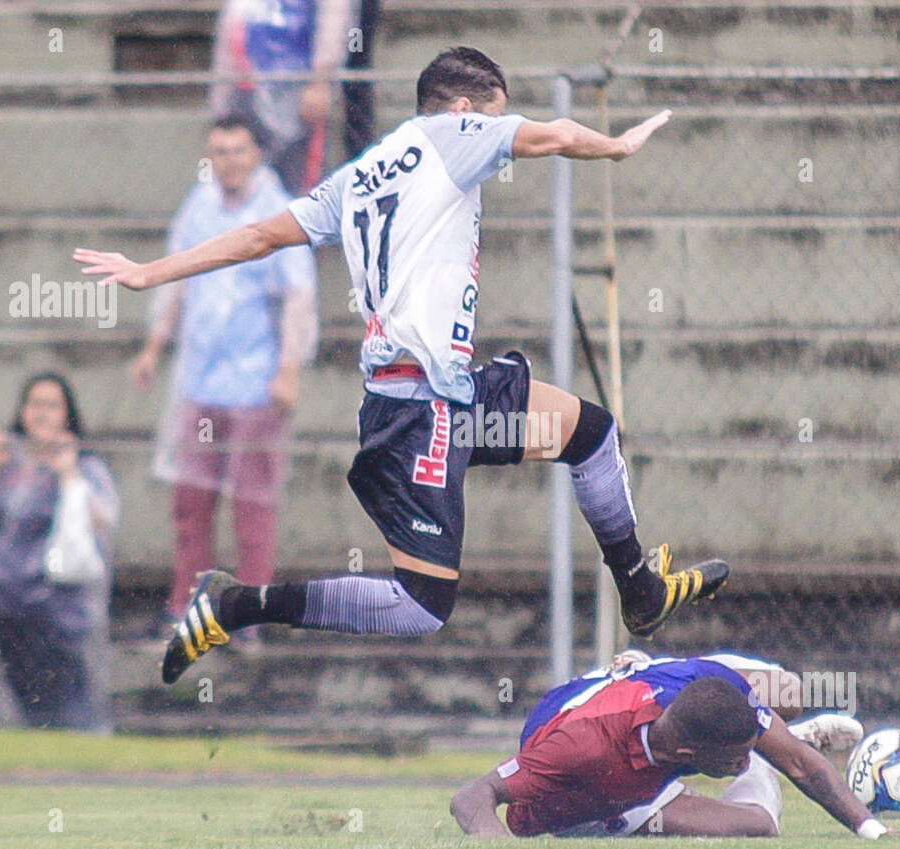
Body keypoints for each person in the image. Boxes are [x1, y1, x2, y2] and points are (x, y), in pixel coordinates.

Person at [75, 47, 729, 686]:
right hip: (417, 408)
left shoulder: (358, 176)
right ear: (467, 108)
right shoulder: (452, 134)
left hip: (453, 390)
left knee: (590, 434)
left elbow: (256, 237)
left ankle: (639, 590)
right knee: (421, 606)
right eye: (494, 117)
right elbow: (552, 134)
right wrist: (614, 146)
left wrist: (149, 273)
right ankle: (236, 605)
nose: (496, 134)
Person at [130, 115, 317, 636]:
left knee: (253, 505)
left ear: (256, 154)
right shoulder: (200, 207)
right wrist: (154, 347)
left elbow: (298, 295)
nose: (228, 161)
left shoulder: (276, 213)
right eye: (219, 151)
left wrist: (288, 369)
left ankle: (247, 615)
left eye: (237, 150)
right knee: (191, 504)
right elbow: (178, 280)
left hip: (255, 383)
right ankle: (186, 607)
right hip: (201, 380)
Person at [449, 650, 900, 840]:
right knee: (759, 825)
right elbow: (470, 798)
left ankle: (773, 737)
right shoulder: (582, 750)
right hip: (596, 782)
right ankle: (767, 751)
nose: (742, 759)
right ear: (689, 758)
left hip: (664, 684)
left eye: (748, 747)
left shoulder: (707, 690)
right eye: (739, 756)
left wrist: (875, 831)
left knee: (790, 694)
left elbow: (804, 768)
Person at [0, 373, 119, 733]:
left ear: (67, 414)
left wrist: (68, 474)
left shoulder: (86, 466)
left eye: (52, 405)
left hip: (60, 608)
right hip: (6, 603)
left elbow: (103, 519)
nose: (42, 414)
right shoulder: (7, 464)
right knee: (20, 699)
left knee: (70, 701)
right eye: (35, 404)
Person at [210, 0, 358, 196]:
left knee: (302, 189)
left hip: (301, 93)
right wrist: (220, 104)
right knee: (247, 185)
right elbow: (233, 25)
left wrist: (320, 80)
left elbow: (334, 19)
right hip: (249, 89)